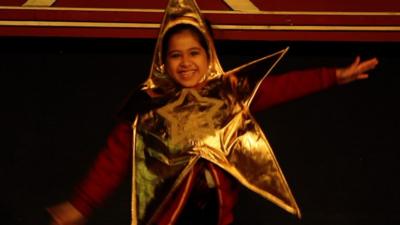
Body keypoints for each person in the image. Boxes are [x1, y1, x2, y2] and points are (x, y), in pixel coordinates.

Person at [47, 0, 378, 225]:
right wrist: (81, 205)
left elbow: (279, 87)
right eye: (176, 55)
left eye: (194, 52)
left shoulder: (227, 95)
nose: (186, 62)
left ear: (209, 56)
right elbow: (113, 158)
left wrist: (334, 76)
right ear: (163, 61)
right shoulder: (147, 104)